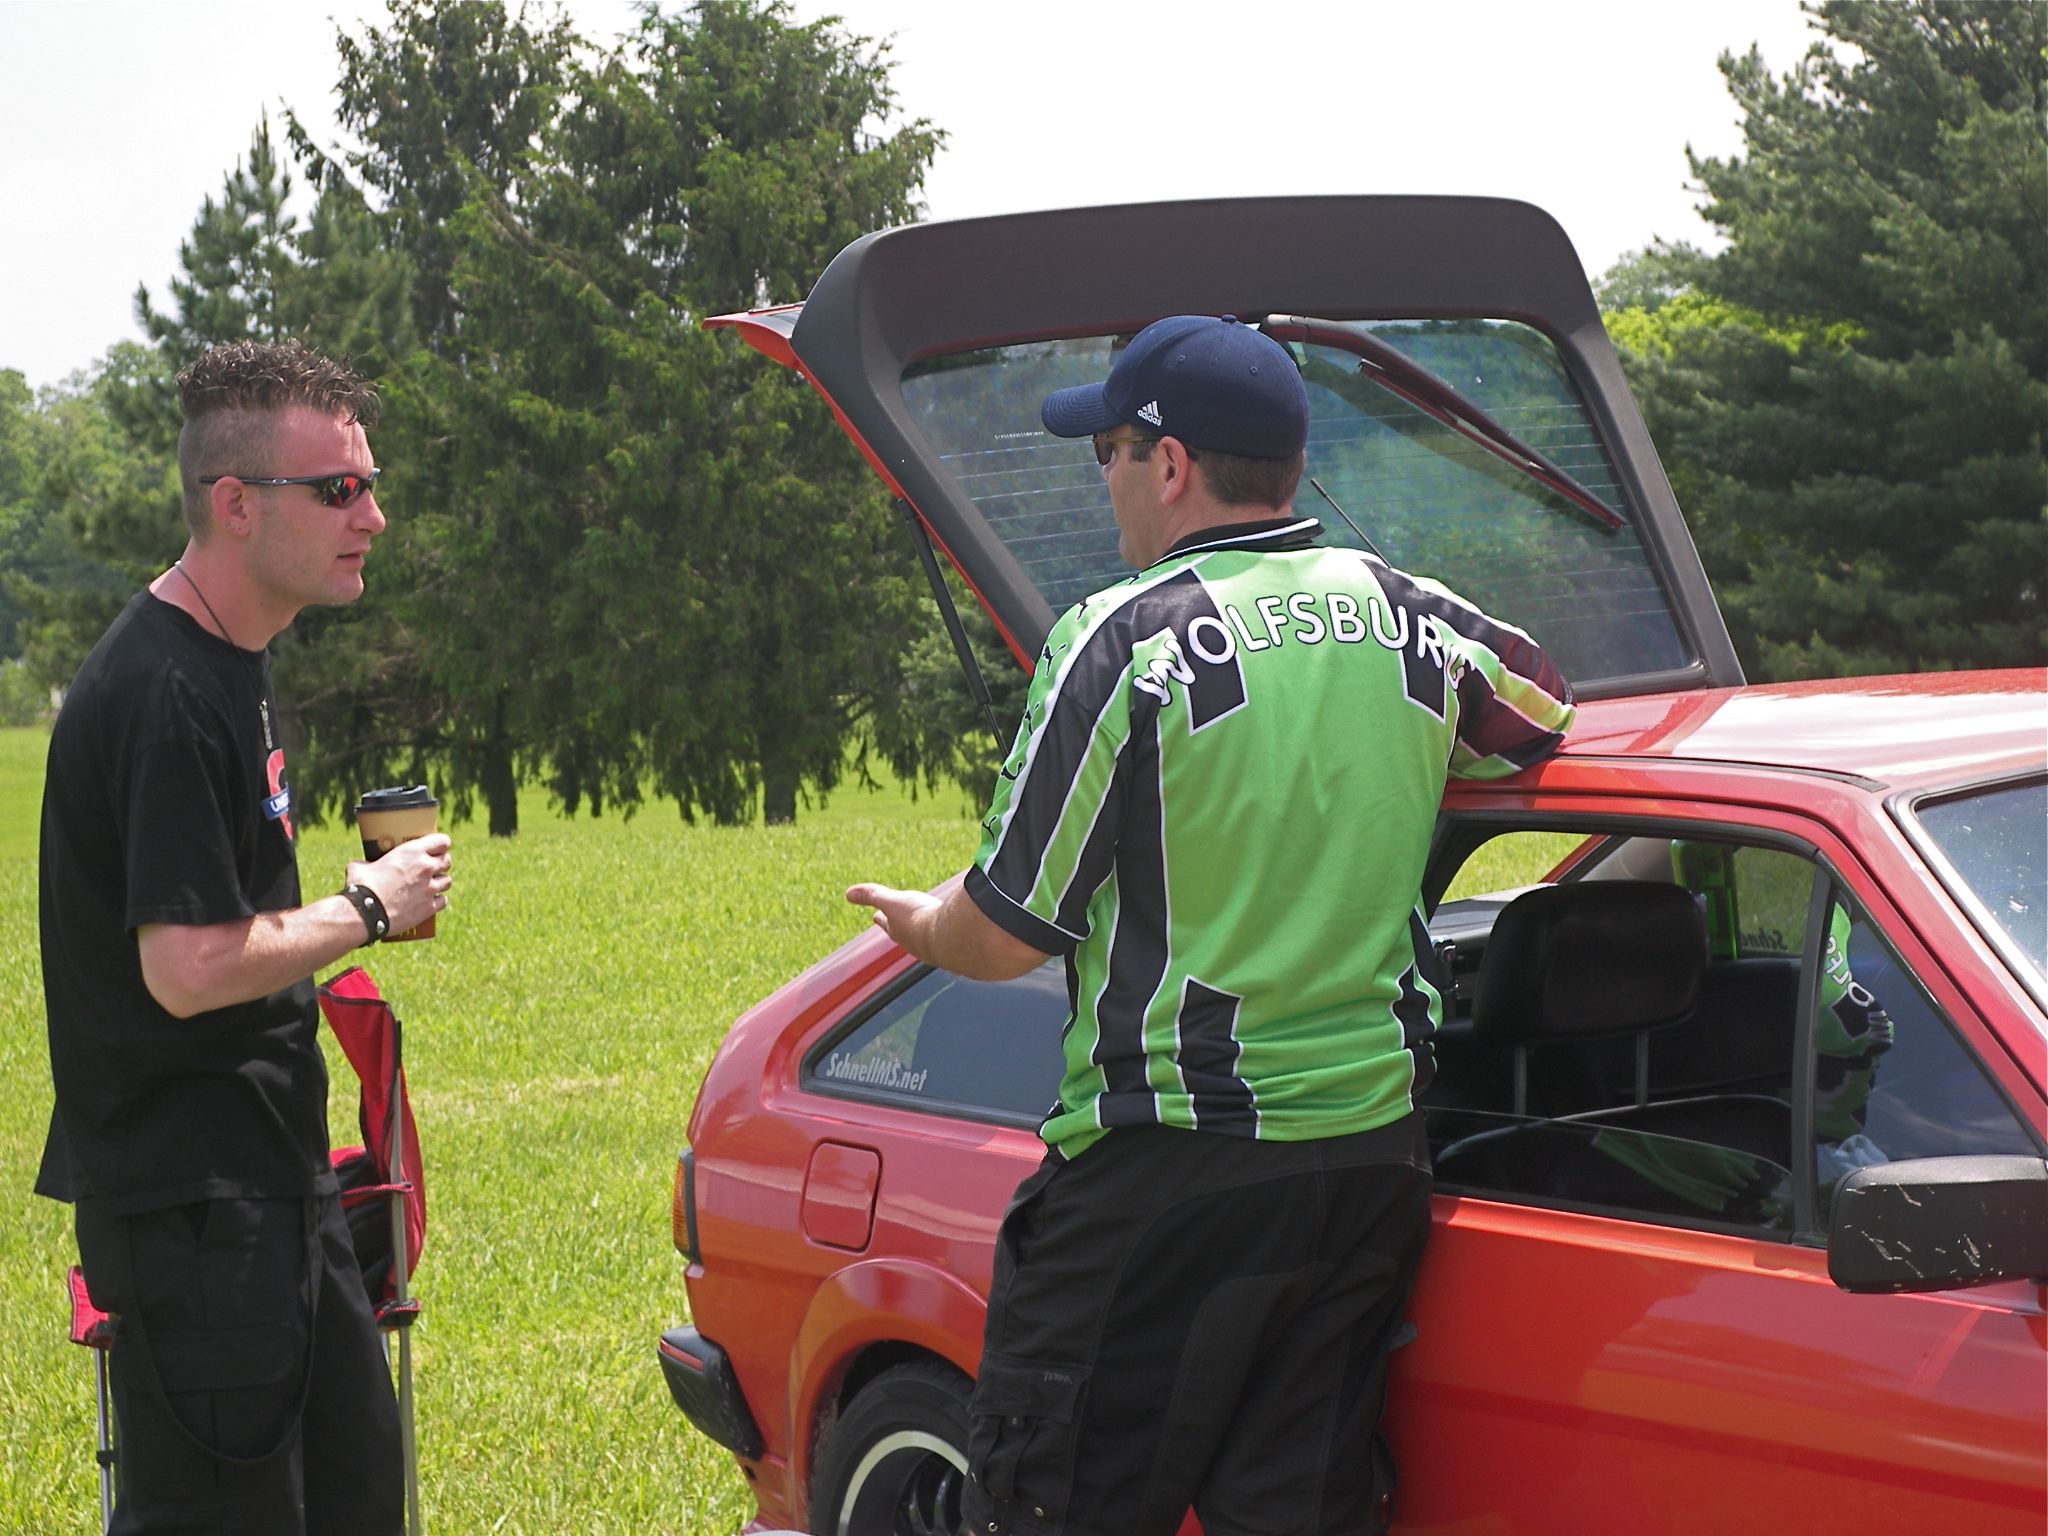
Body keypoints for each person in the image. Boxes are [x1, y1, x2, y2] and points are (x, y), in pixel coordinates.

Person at [847, 315, 1575, 1536]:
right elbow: (1543, 708)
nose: (1105, 481)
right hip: (1366, 1164)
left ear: (1170, 464)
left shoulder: (1117, 638)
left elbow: (1008, 931)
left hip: (1166, 1178)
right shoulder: (1409, 611)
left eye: (1107, 453)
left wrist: (919, 924)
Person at [35, 339, 450, 1535]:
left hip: (273, 1178)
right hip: (194, 1208)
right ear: (235, 504)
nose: (370, 515)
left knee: (358, 1494)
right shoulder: (164, 691)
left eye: (368, 485)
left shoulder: (233, 658)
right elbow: (184, 969)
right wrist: (366, 909)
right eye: (339, 489)